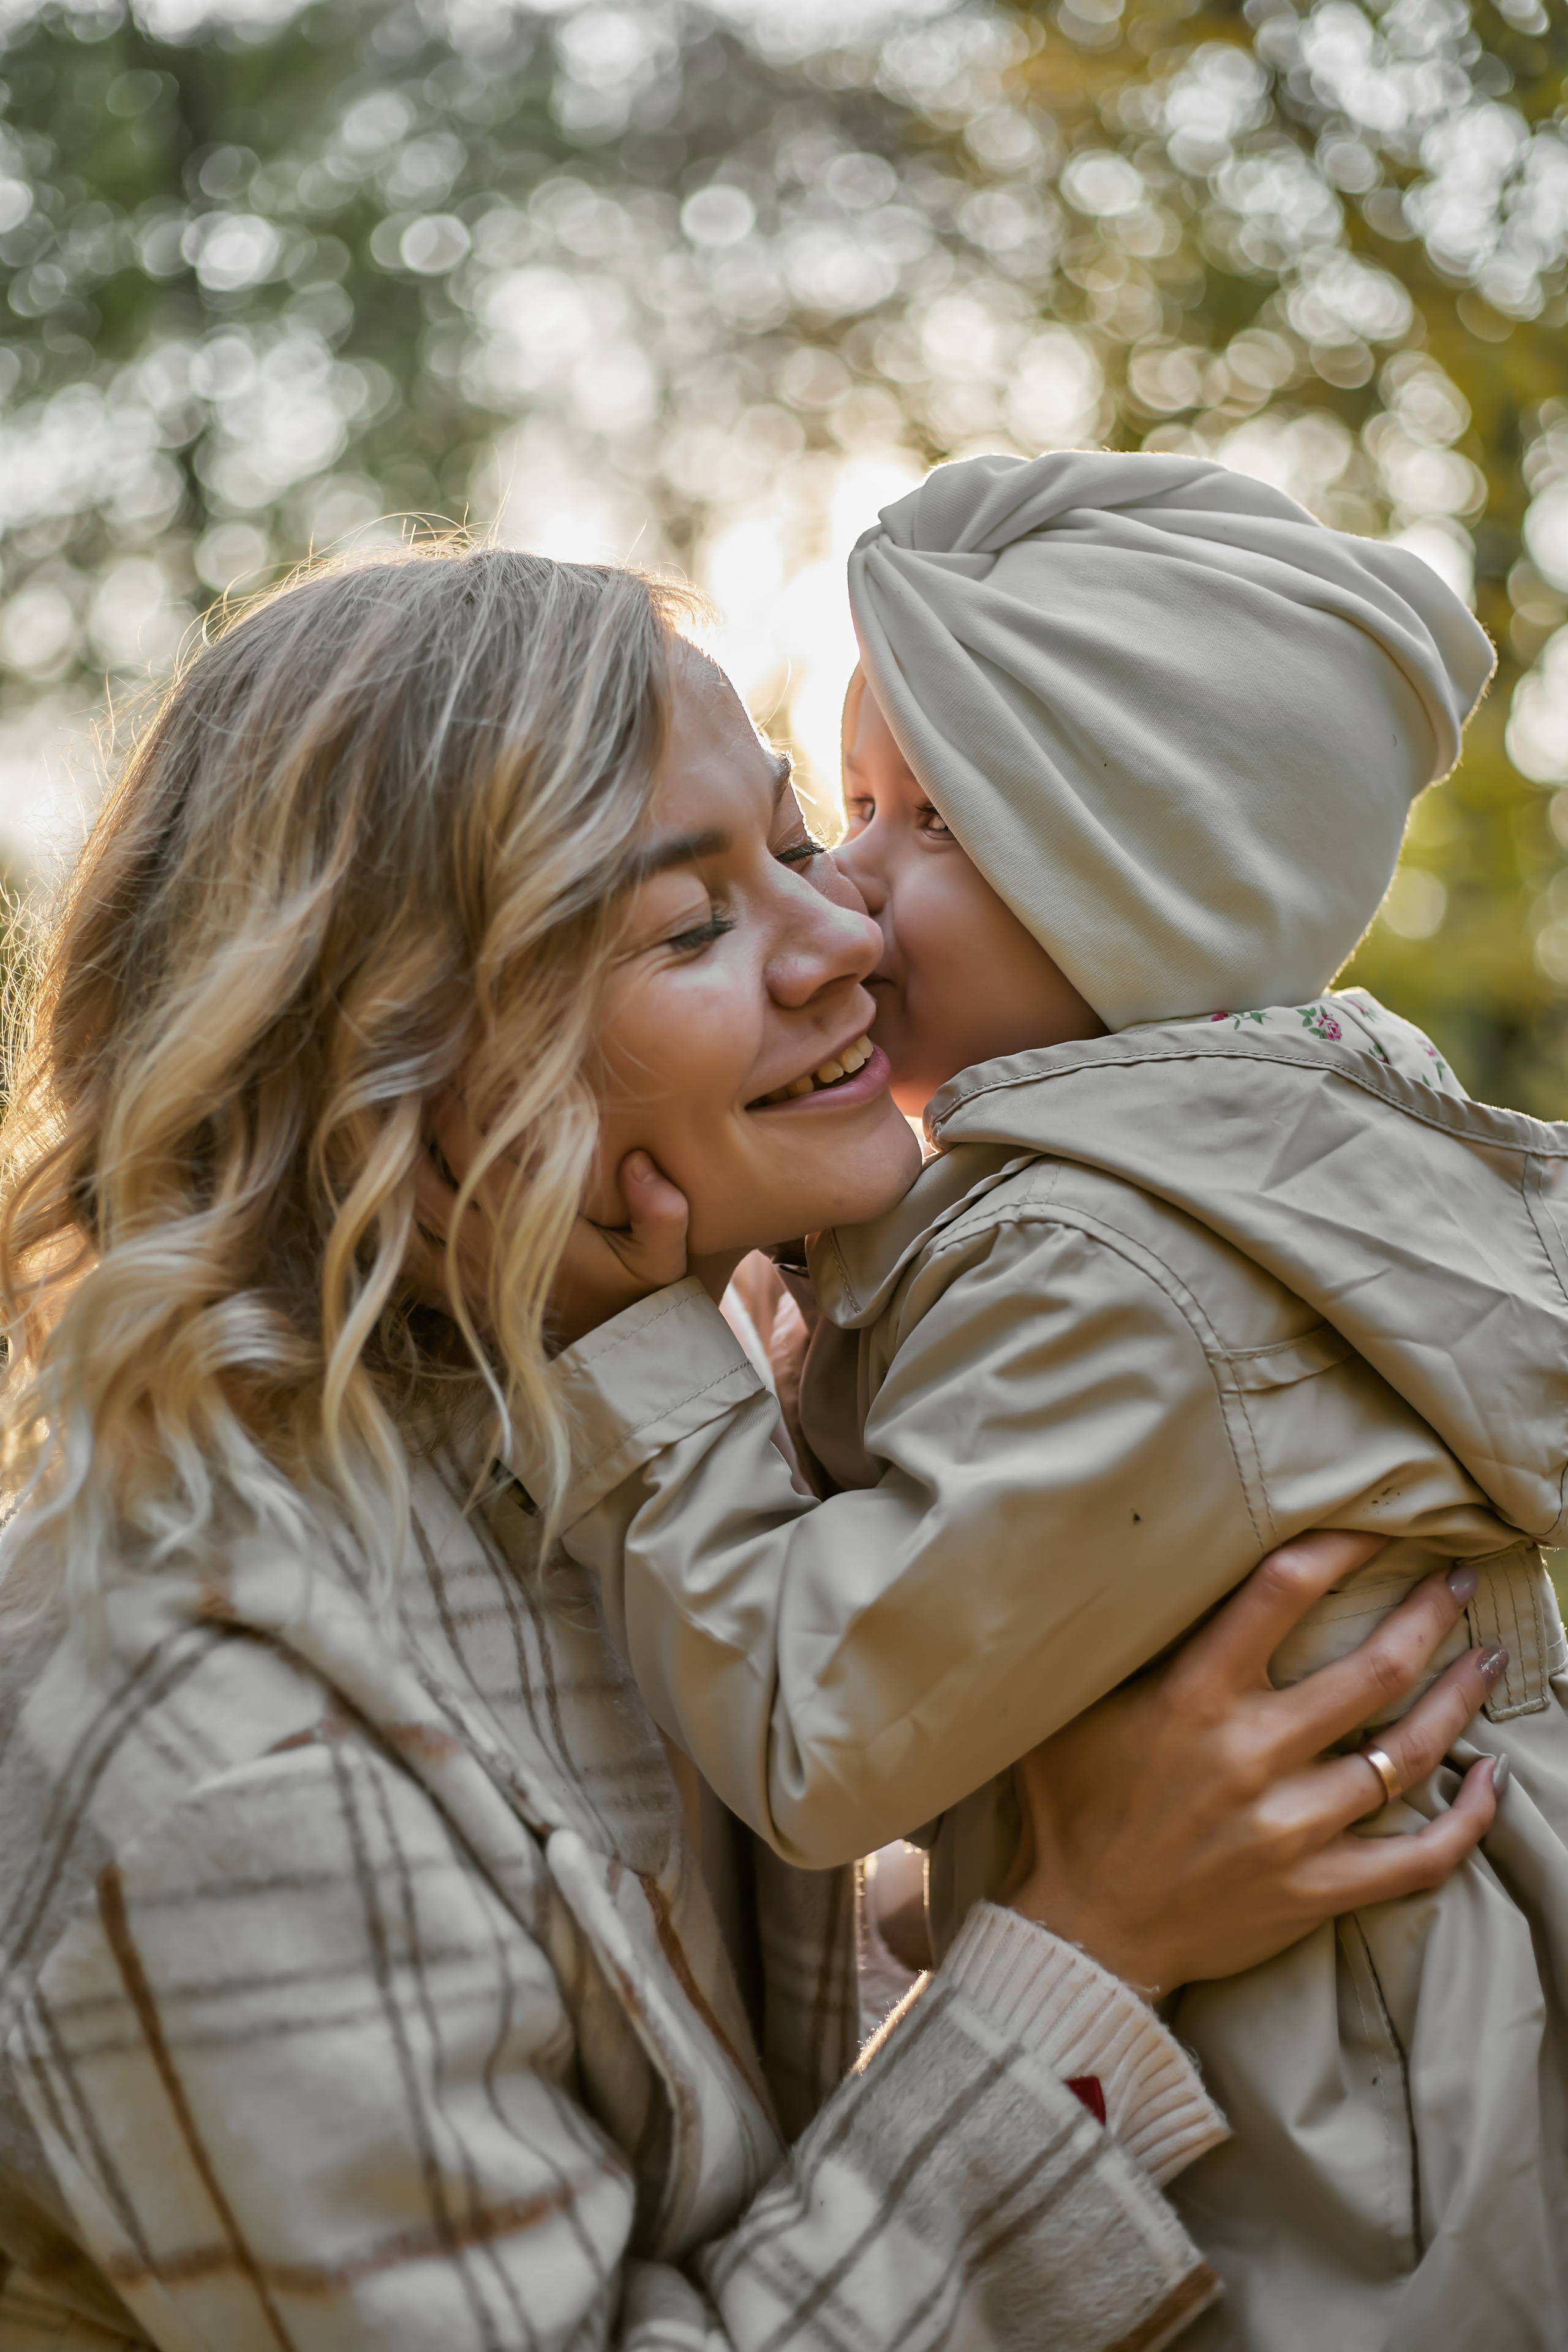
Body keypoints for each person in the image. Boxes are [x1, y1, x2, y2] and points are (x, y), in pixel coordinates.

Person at [0, 542, 1501, 2352]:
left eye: (798, 845)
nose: (850, 936)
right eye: (692, 925)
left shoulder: (683, 1435)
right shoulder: (216, 1731)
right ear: (391, 1068)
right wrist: (1092, 1949)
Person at [505, 456, 1568, 2352]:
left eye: (930, 822)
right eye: (855, 805)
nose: (843, 884)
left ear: (1141, 873)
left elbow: (831, 1736)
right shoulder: (1224, 1161)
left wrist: (644, 1343)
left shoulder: (1116, 1268)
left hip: (1342, 2157)